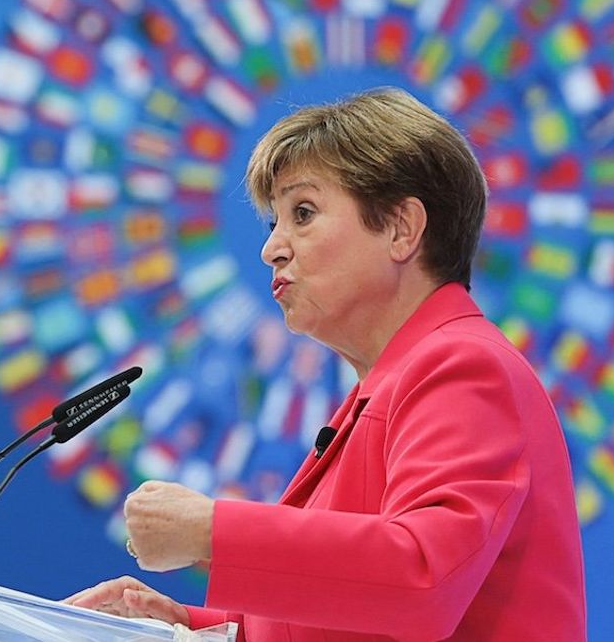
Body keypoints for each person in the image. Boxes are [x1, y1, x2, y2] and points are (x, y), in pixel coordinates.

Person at [66, 88, 586, 640]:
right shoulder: (380, 390)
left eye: (304, 213)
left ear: (400, 229)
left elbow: (425, 577)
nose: (272, 249)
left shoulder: (462, 365)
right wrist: (180, 626)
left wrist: (213, 532)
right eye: (274, 224)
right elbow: (341, 614)